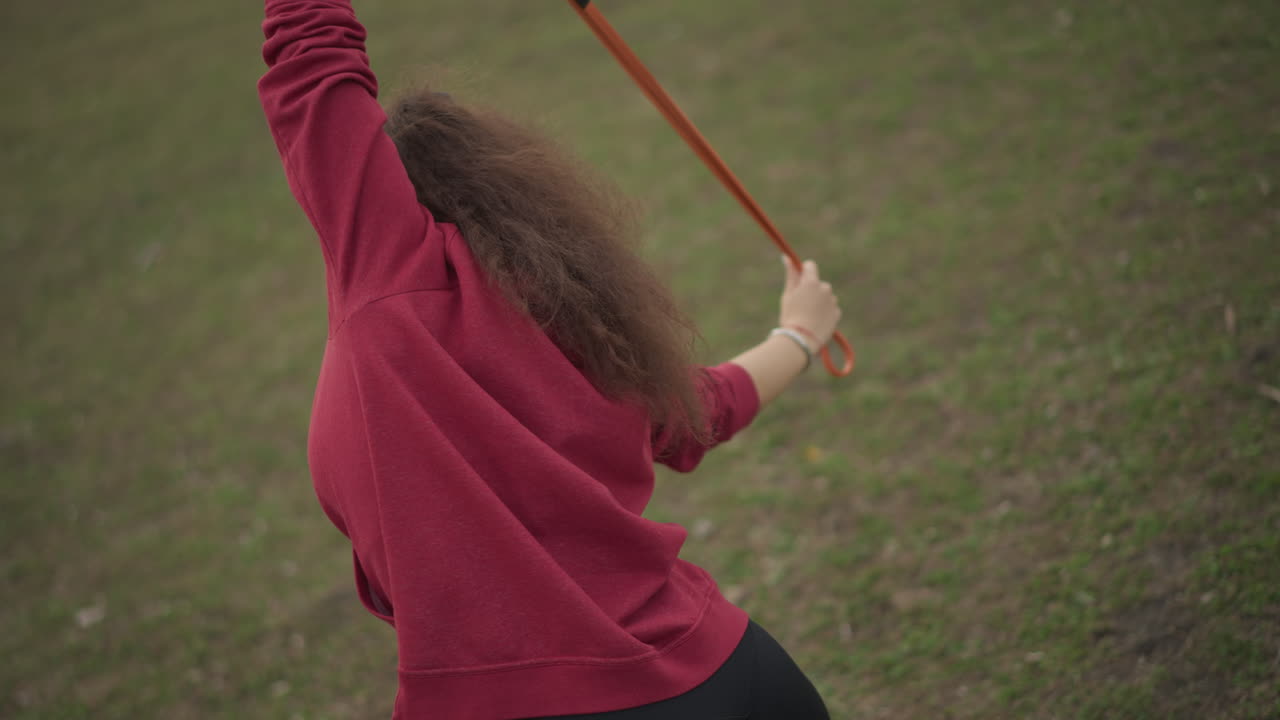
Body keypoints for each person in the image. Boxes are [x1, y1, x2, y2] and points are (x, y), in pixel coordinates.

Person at [258, 2, 840, 718]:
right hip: (731, 675)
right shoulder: (575, 325)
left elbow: (312, 63)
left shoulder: (387, 276)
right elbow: (698, 413)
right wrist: (799, 336)